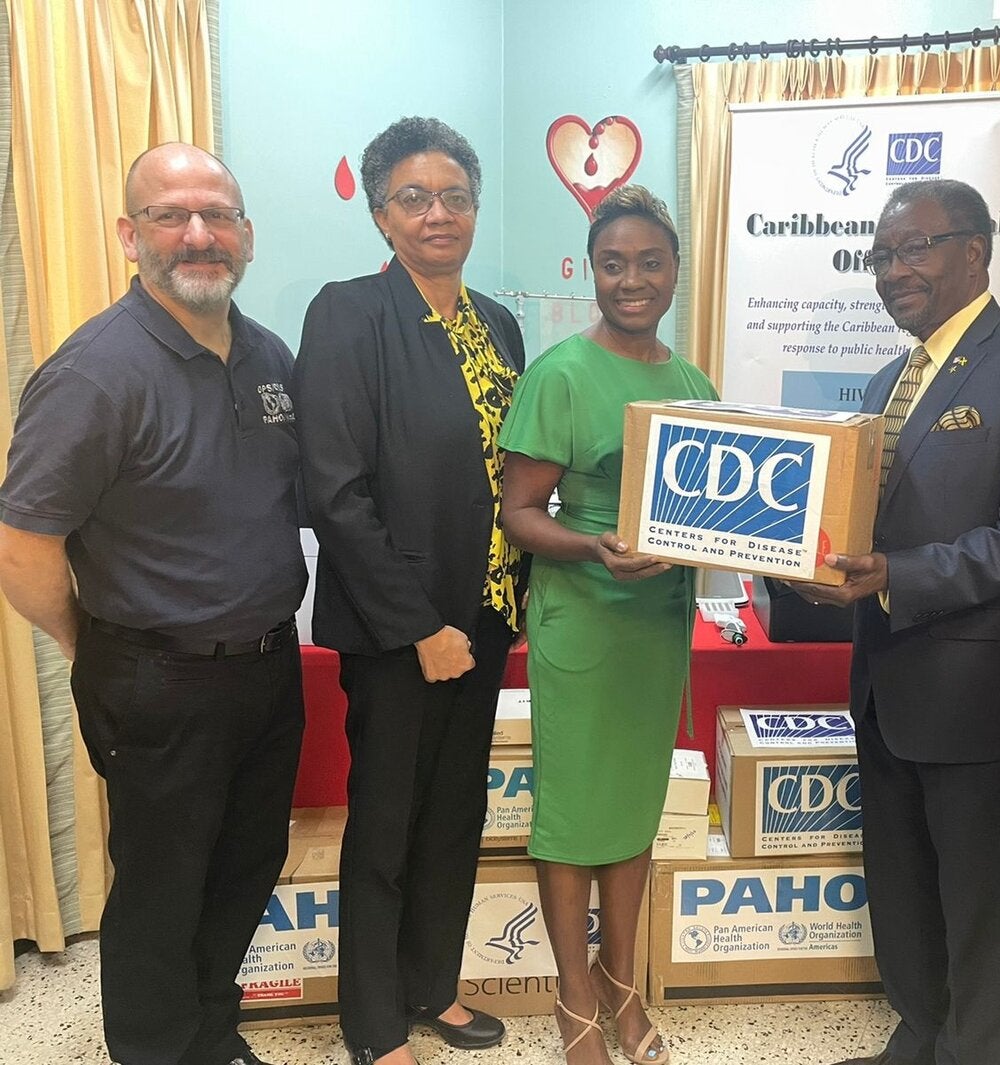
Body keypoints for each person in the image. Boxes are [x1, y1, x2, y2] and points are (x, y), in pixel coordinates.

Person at [0, 143, 302, 1065]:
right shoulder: (95, 371)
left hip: (268, 667)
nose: (199, 235)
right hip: (153, 678)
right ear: (131, 235)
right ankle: (156, 1051)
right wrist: (89, 641)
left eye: (218, 214)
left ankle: (212, 1032)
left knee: (244, 869)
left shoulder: (267, 353)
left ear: (246, 234)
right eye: (172, 216)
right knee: (163, 890)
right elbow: (21, 543)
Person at [796, 179, 1000, 1065]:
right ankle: (917, 1037)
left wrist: (895, 576)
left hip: (978, 699)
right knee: (901, 889)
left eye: (916, 248)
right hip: (886, 689)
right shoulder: (892, 378)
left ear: (975, 250)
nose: (895, 271)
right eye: (883, 255)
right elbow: (865, 528)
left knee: (974, 906)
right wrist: (816, 565)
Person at [294, 117, 524, 1065]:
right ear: (382, 215)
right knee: (386, 825)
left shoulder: (496, 322)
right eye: (415, 199)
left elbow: (512, 475)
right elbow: (335, 491)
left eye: (456, 197)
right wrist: (419, 625)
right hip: (402, 630)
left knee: (454, 815)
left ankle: (433, 983)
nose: (439, 214)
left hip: (488, 615)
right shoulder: (349, 312)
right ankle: (374, 1020)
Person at [499, 185, 716, 1065]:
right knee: (575, 819)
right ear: (593, 270)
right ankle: (576, 998)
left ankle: (625, 985)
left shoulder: (693, 381)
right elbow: (518, 510)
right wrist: (594, 548)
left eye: (649, 262)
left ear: (674, 269)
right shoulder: (561, 372)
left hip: (656, 627)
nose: (631, 280)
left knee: (630, 815)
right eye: (613, 264)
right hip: (584, 622)